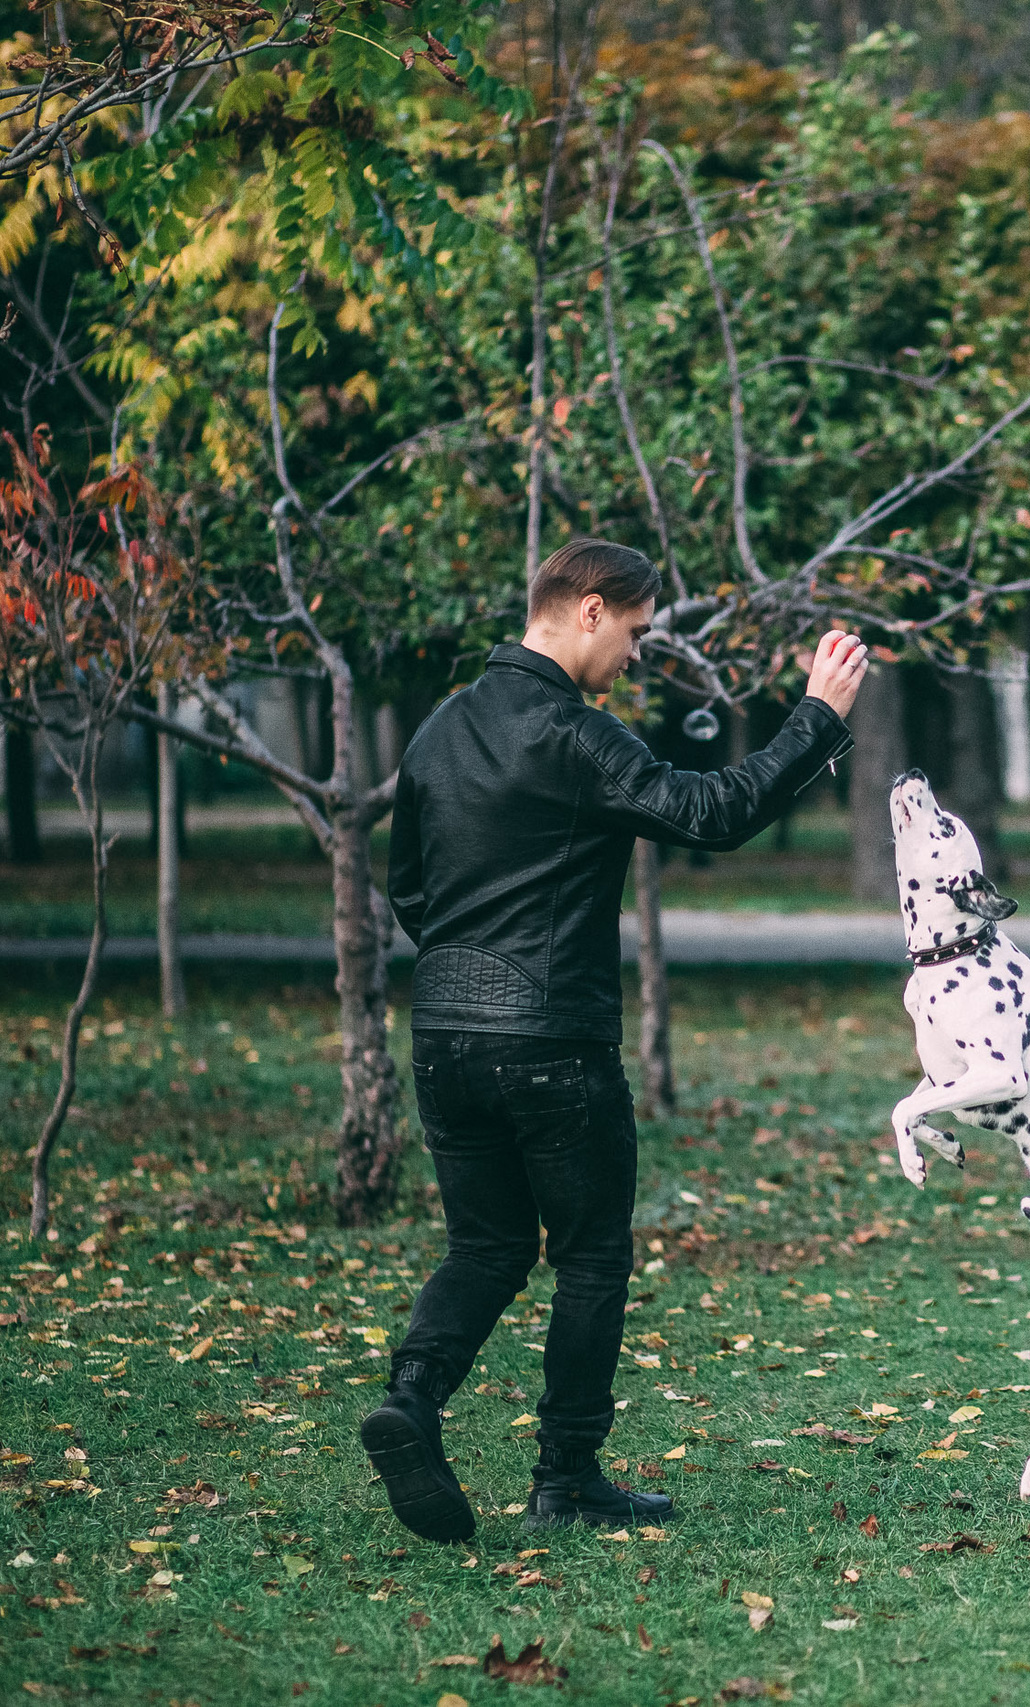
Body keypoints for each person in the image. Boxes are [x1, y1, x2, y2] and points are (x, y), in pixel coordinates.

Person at [375, 539, 869, 1541]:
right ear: (589, 611)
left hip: (442, 1036)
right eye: (638, 632)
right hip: (552, 1041)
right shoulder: (572, 735)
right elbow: (713, 811)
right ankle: (568, 1475)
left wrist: (471, 977)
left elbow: (409, 890)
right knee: (592, 1255)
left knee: (486, 1243)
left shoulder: (438, 730)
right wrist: (817, 716)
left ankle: (411, 1402)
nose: (638, 656)